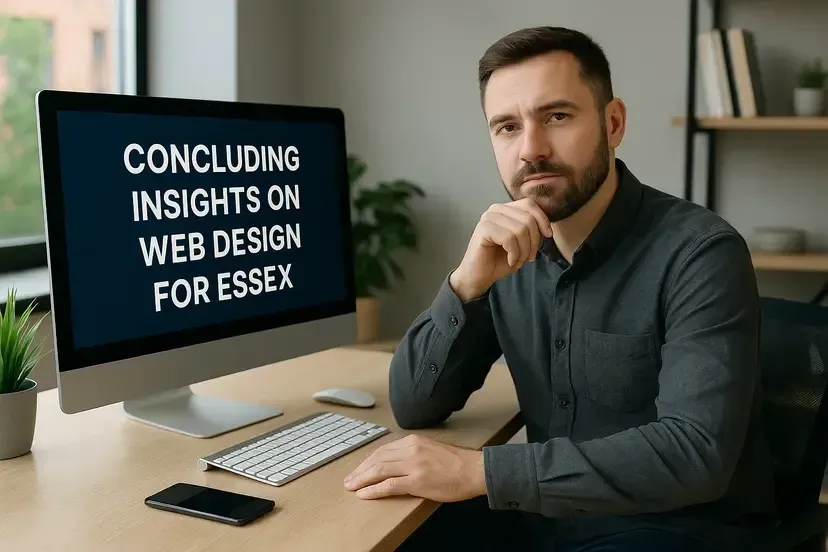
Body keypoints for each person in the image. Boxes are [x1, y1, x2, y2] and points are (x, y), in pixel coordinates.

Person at [343, 26, 777, 551]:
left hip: (680, 528)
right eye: (506, 127)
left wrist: (481, 472)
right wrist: (466, 284)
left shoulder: (700, 252)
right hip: (548, 518)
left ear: (613, 123)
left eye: (557, 117)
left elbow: (694, 453)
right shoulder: (506, 251)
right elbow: (415, 406)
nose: (531, 150)